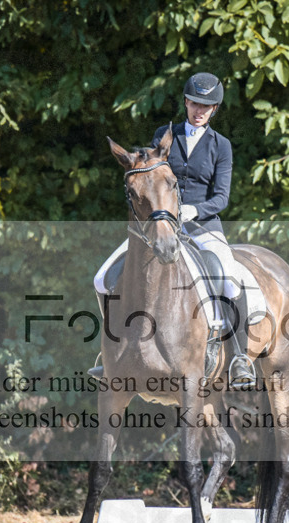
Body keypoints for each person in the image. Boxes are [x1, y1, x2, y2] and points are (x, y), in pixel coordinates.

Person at [90, 72, 255, 388]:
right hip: (161, 226)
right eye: (194, 103)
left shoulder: (221, 146)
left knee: (231, 279)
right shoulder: (166, 137)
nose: (199, 111)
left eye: (206, 106)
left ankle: (239, 358)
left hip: (203, 226)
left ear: (214, 109)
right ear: (186, 102)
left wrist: (195, 209)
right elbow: (150, 176)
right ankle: (108, 352)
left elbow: (221, 196)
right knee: (102, 277)